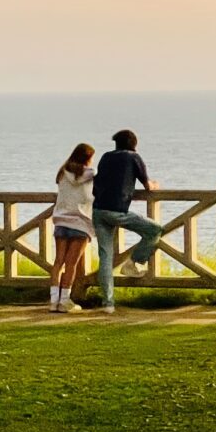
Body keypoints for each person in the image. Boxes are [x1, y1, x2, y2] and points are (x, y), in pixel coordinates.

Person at [92, 129, 161, 313]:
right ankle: (134, 262)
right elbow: (148, 186)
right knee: (155, 229)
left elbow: (97, 183)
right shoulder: (133, 157)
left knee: (105, 257)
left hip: (98, 210)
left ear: (116, 143)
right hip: (118, 211)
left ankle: (108, 304)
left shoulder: (106, 157)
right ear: (134, 144)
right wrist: (155, 185)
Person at [50, 142, 96, 313]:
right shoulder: (90, 174)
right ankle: (65, 300)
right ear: (88, 159)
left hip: (61, 221)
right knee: (71, 264)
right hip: (80, 223)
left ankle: (53, 300)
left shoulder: (62, 173)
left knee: (58, 262)